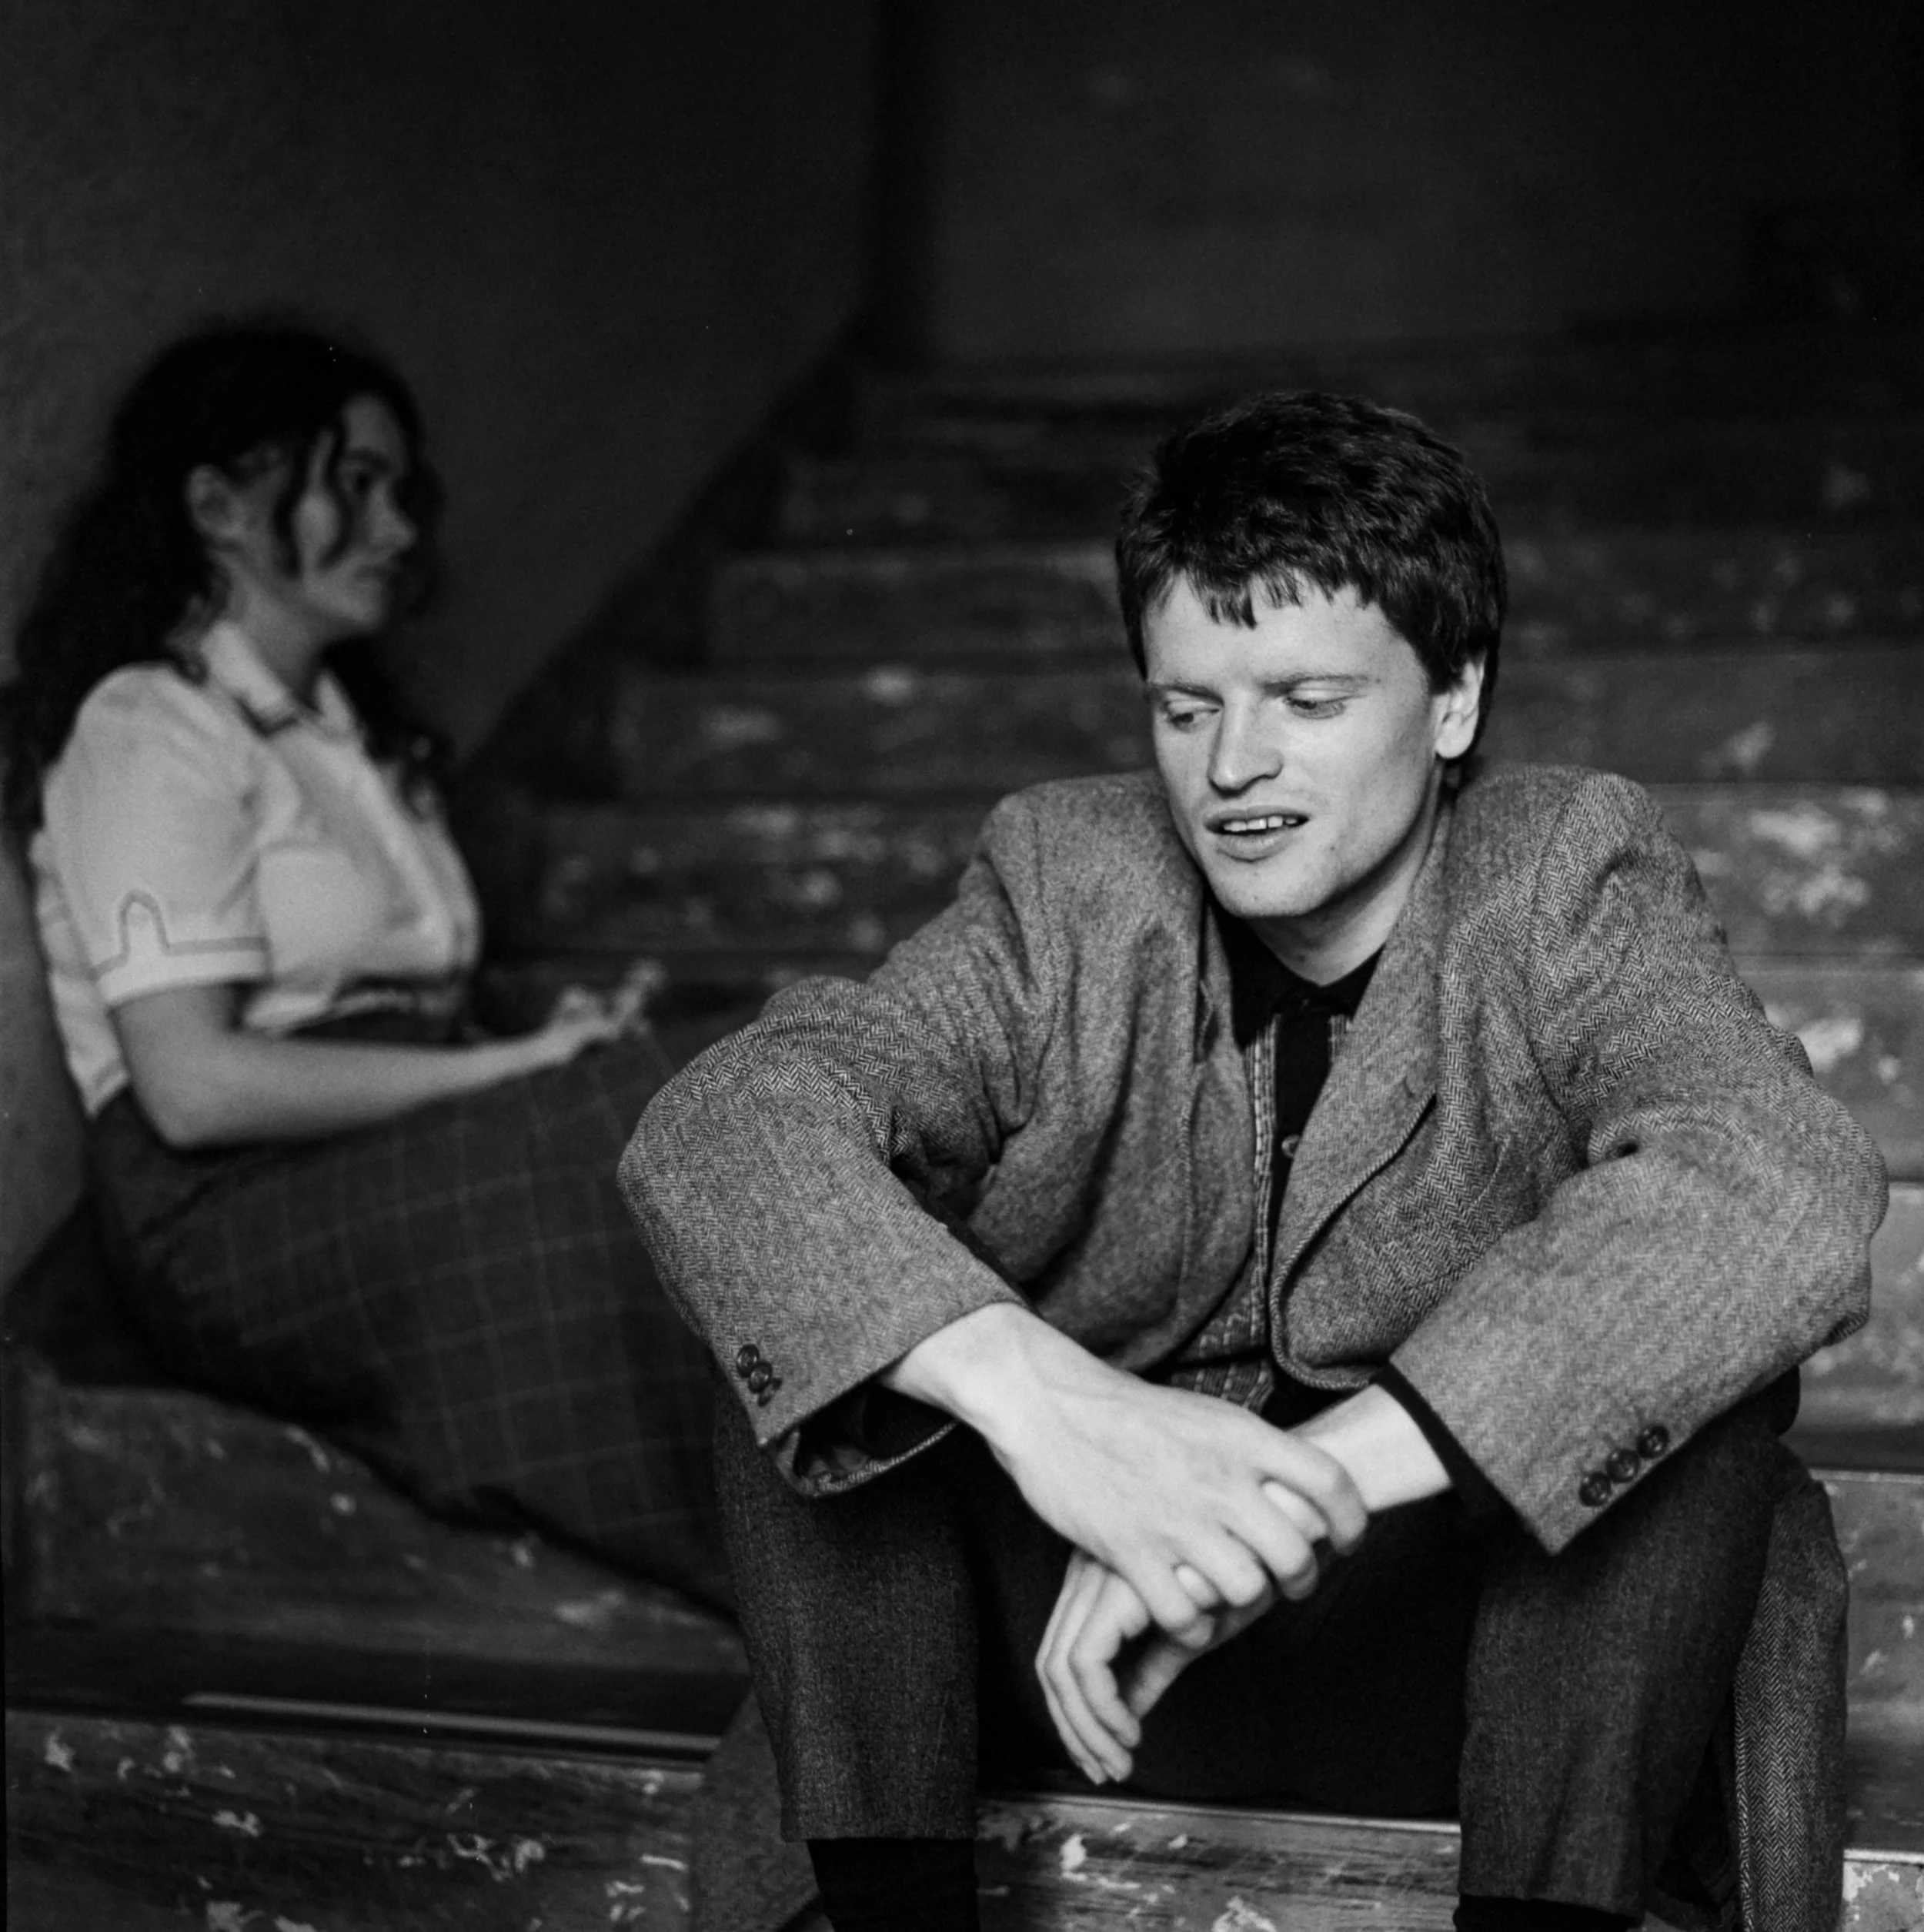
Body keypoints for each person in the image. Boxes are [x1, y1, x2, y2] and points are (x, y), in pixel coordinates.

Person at [623, 391, 1888, 1930]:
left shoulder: (1562, 875)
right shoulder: (1068, 880)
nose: (1232, 763)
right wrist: (1055, 1410)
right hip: (1089, 1660)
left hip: (1459, 1661)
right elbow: (729, 1122)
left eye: (1304, 696)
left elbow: (1778, 1179)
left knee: (1692, 1394)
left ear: (1451, 701)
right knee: (821, 1316)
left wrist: (1301, 1488)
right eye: (1185, 706)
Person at [2, 321, 729, 1610]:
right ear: (219, 508)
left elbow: (401, 1006)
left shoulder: (351, 731)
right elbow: (193, 1090)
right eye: (354, 483)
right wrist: (514, 1070)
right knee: (642, 1122)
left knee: (736, 1074)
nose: (396, 525)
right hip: (230, 1202)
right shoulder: (148, 726)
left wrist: (533, 1046)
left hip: (382, 1144)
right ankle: (787, 1553)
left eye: (403, 488)